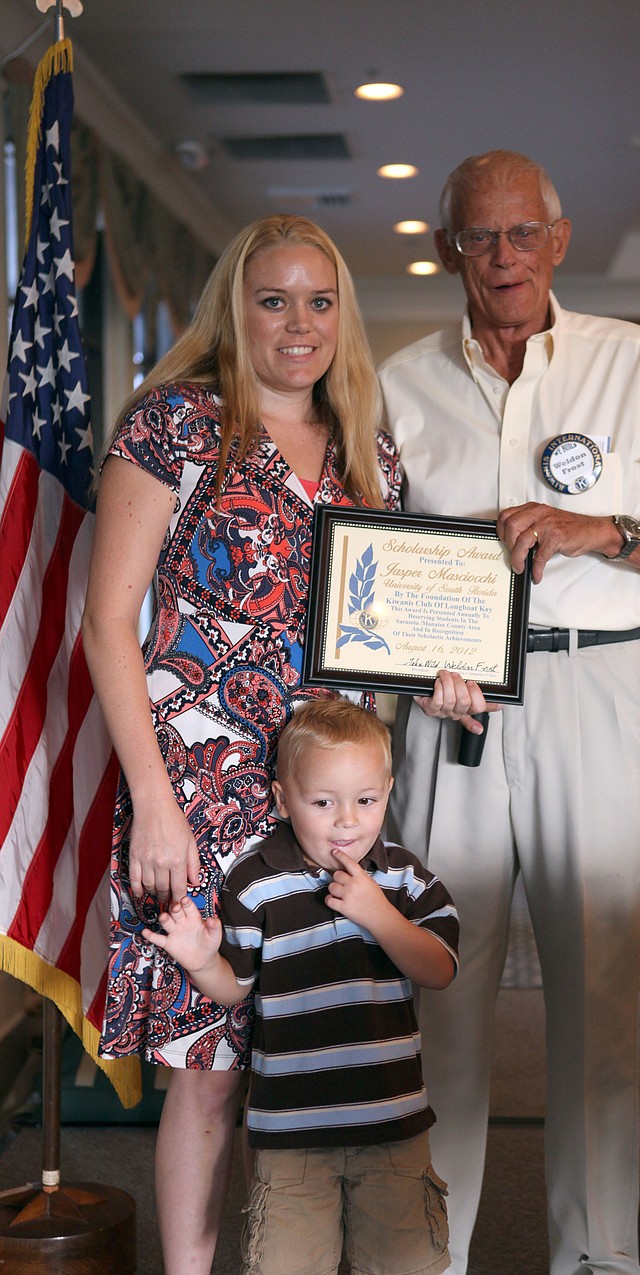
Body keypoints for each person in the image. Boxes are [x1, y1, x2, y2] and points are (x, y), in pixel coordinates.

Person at [378, 150, 640, 1275]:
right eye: (478, 238)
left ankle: (595, 1257)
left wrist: (603, 531)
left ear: (560, 241)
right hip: (449, 709)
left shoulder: (639, 365)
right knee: (438, 987)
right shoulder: (395, 380)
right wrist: (402, 663)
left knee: (598, 991)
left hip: (599, 684)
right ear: (446, 251)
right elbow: (366, 570)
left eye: (521, 233)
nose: (502, 258)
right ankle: (430, 1254)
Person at [81, 214, 402, 1275]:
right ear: (236, 307)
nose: (299, 323)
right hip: (199, 791)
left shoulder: (368, 444)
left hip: (325, 799)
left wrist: (442, 678)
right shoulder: (175, 426)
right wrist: (154, 802)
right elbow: (107, 621)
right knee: (210, 1066)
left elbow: (382, 631)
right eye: (274, 299)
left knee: (312, 1057)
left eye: (319, 301)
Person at [142, 698, 458, 1275]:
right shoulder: (257, 881)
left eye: (366, 801)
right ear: (283, 799)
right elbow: (235, 989)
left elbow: (438, 970)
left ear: (388, 789)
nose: (347, 821)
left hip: (390, 1127)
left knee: (402, 1263)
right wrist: (199, 958)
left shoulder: (407, 881)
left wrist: (378, 915)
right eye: (322, 803)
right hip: (290, 1139)